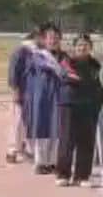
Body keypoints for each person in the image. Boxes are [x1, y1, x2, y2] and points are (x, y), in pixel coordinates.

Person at [55, 34, 102, 186]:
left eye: (86, 45)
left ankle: (82, 176)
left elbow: (97, 85)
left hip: (89, 106)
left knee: (87, 141)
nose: (82, 48)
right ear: (74, 48)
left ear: (90, 48)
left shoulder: (95, 65)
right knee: (67, 140)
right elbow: (73, 79)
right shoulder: (67, 62)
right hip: (70, 104)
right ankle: (63, 174)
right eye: (79, 45)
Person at [24, 22, 68, 174]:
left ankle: (54, 162)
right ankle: (40, 162)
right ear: (44, 39)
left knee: (57, 127)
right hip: (42, 97)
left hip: (59, 96)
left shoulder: (65, 57)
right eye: (50, 37)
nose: (53, 40)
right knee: (42, 127)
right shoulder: (37, 56)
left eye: (56, 37)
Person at [6, 31, 38, 163]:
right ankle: (13, 150)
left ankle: (22, 148)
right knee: (18, 121)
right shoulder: (21, 51)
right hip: (23, 92)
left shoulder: (34, 52)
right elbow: (13, 72)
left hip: (30, 93)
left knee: (26, 122)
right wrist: (15, 90)